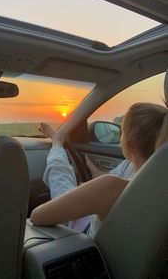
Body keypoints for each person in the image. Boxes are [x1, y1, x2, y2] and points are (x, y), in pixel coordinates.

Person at [30, 102, 168, 238]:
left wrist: (92, 191)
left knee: (62, 185)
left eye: (122, 132)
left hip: (88, 246)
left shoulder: (110, 187)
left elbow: (37, 216)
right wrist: (93, 171)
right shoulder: (138, 171)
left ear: (130, 145)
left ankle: (57, 143)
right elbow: (114, 177)